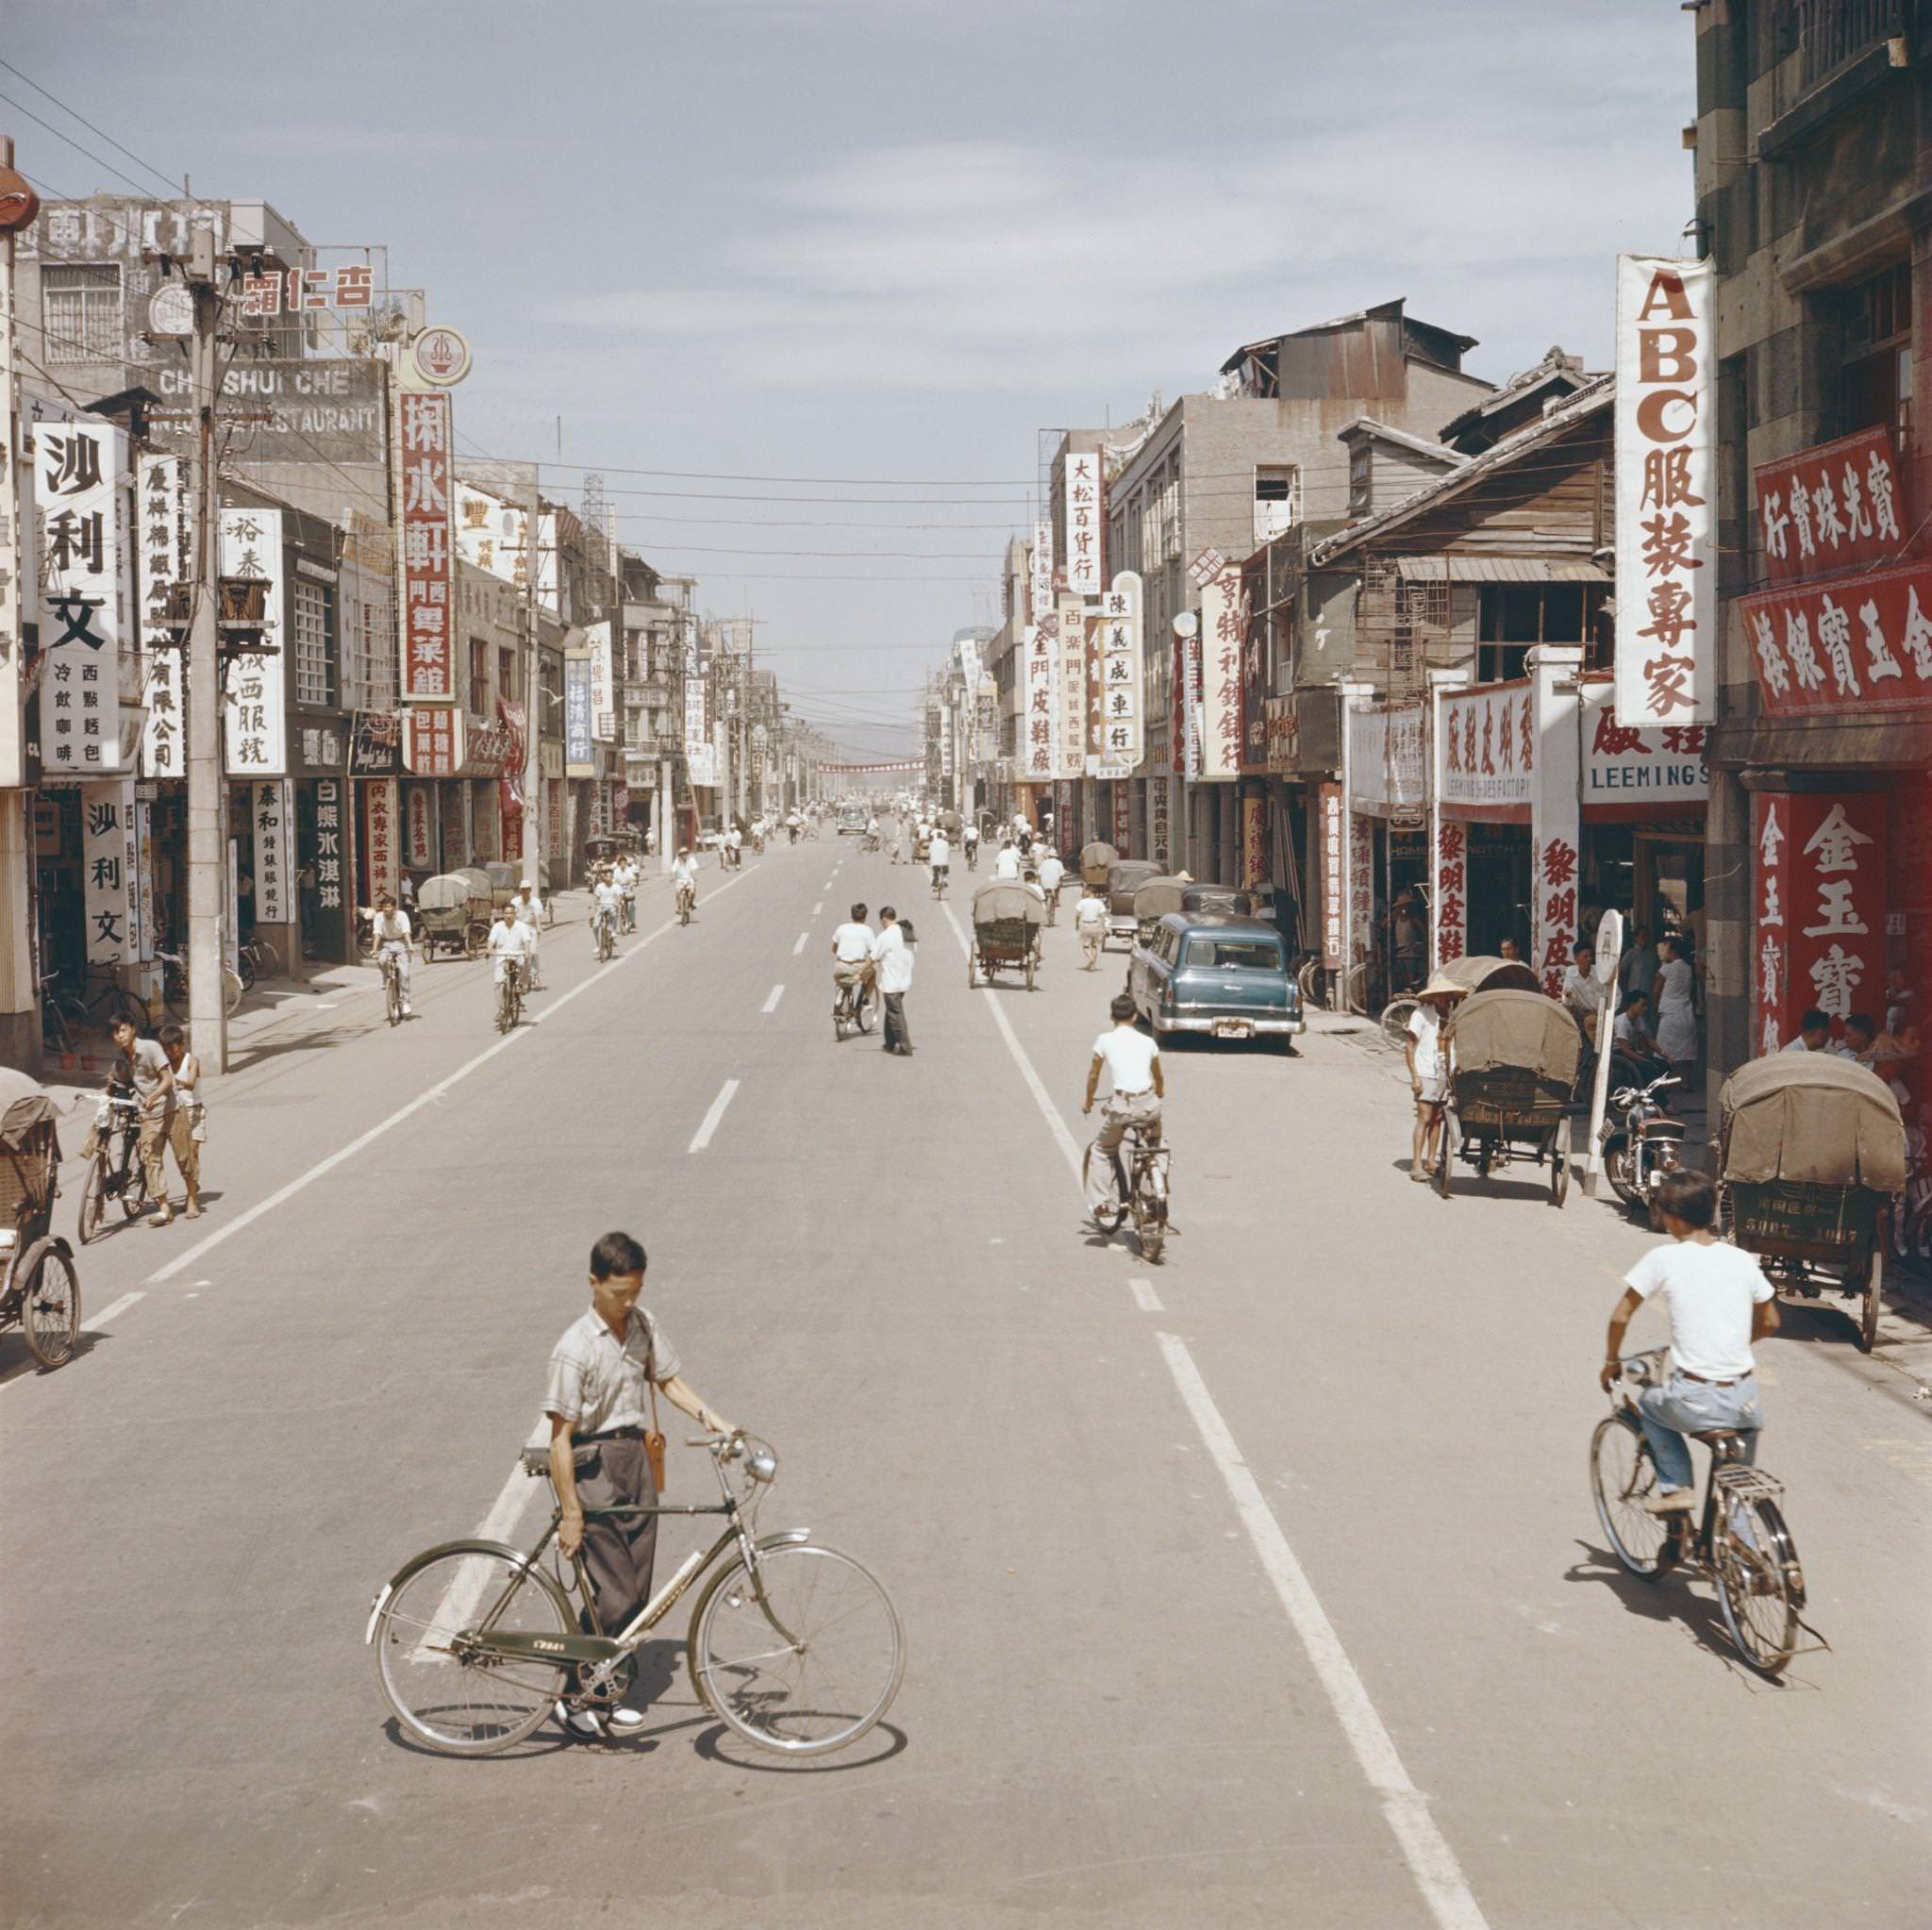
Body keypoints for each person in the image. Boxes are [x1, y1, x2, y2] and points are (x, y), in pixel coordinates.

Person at [544, 1230, 739, 1739]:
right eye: (618, 1294)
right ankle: (572, 1698)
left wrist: (712, 1419)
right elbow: (560, 1437)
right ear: (593, 1283)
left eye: (636, 1291)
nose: (628, 1302)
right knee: (616, 1593)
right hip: (593, 1466)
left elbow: (667, 1379)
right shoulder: (574, 1349)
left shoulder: (643, 1325)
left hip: (637, 1459)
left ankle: (602, 1695)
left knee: (638, 1592)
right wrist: (571, 1512)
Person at [1601, 1170, 1777, 1513]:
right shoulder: (1740, 1259)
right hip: (1744, 1401)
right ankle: (1742, 1551)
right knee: (1735, 1490)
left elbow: (1620, 1316)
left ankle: (1677, 1488)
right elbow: (1770, 1321)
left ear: (1673, 1219)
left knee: (1650, 1406)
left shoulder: (1663, 1258)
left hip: (1695, 1397)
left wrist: (1611, 1362)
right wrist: (1736, 1344)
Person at [1082, 991, 1163, 1222]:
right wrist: (1159, 1093)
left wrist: (1088, 1101)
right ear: (1135, 1016)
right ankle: (1159, 1183)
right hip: (1149, 1105)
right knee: (1157, 1143)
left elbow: (1093, 1074)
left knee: (1102, 1150)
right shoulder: (1148, 1042)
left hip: (1123, 1106)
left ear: (1112, 1017)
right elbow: (1158, 1076)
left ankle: (1100, 1203)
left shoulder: (1104, 1040)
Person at [109, 1017, 176, 1226]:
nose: (119, 1036)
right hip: (144, 1110)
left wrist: (153, 1097)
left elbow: (167, 1079)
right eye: (115, 1033)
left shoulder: (151, 1048)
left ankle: (191, 1197)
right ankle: (165, 1209)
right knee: (150, 1155)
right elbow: (114, 1079)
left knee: (184, 1159)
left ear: (133, 1028)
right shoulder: (121, 1055)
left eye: (122, 1030)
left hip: (166, 1106)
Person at [1405, 972, 1464, 1183]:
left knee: (1438, 1119)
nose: (1444, 999)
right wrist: (1415, 1078)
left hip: (1444, 1073)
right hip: (1425, 1072)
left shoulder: (1451, 1015)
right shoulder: (1421, 1014)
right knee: (1424, 1117)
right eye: (1440, 995)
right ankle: (1416, 1164)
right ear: (1432, 997)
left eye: (1447, 995)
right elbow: (1410, 1047)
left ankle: (1431, 1160)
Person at [158, 1023, 204, 1220]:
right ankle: (192, 1187)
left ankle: (192, 1200)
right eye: (165, 1048)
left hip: (194, 1112)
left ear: (182, 1044)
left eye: (172, 1047)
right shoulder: (163, 1065)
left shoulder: (191, 1060)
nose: (169, 1052)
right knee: (183, 1158)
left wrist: (174, 1081)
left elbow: (192, 1083)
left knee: (192, 1152)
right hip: (174, 1113)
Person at [869, 904, 914, 1056]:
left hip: (892, 980)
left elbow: (873, 957)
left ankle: (905, 1046)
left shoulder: (886, 935)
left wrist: (859, 971)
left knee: (895, 1013)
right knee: (891, 1011)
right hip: (904, 978)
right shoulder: (906, 932)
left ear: (883, 920)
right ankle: (889, 1043)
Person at [1652, 935, 1698, 1073]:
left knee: (1663, 1050)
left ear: (1672, 952)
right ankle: (1686, 1082)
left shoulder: (1667, 968)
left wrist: (1655, 1003)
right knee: (1687, 1051)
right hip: (1685, 1012)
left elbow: (1656, 989)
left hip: (1670, 1013)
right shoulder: (1688, 968)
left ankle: (1663, 1081)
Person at [366, 890, 415, 1019]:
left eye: (388, 907)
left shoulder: (402, 915)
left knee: (404, 974)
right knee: (381, 961)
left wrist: (409, 945)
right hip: (386, 944)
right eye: (384, 907)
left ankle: (406, 1002)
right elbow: (377, 934)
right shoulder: (378, 917)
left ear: (394, 907)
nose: (386, 909)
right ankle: (386, 978)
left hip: (401, 944)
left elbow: (406, 932)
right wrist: (374, 949)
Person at [831, 902, 874, 1022]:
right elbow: (873, 953)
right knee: (873, 973)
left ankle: (840, 996)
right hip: (858, 966)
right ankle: (865, 1001)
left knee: (841, 980)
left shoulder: (841, 928)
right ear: (865, 917)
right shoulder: (867, 931)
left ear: (851, 915)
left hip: (840, 966)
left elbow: (834, 949)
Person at [1561, 942, 1606, 1050]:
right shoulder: (1571, 972)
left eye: (1591, 956)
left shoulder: (1599, 972)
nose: (1589, 959)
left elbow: (1616, 995)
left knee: (1591, 1022)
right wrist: (1567, 995)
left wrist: (1602, 1012)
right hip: (1582, 1014)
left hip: (1603, 1013)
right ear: (1576, 959)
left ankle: (1601, 1054)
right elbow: (1568, 1000)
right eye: (1585, 957)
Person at [490, 898, 534, 1002]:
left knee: (526, 965)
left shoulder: (521, 926)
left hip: (518, 955)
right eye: (506, 913)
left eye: (511, 913)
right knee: (498, 983)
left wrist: (527, 952)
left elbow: (527, 941)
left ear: (515, 914)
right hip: (502, 956)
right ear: (503, 914)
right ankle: (501, 1009)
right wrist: (488, 951)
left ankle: (520, 984)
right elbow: (491, 941)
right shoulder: (497, 927)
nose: (509, 916)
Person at [515, 881, 546, 990]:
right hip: (518, 929)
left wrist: (539, 928)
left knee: (532, 953)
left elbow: (537, 916)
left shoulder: (535, 902)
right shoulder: (515, 902)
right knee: (517, 954)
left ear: (530, 890)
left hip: (531, 928)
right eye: (523, 889)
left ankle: (536, 975)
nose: (525, 891)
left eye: (527, 889)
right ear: (520, 890)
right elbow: (511, 917)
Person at [1619, 924, 1660, 1004]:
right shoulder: (1631, 953)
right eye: (1643, 936)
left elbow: (1658, 972)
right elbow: (1622, 971)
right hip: (1634, 992)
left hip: (1649, 992)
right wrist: (1623, 991)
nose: (1646, 938)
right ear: (1636, 938)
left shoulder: (1653, 954)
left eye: (1648, 936)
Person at [1074, 883, 1108, 969]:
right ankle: (1092, 966)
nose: (1084, 892)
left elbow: (1077, 915)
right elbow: (1103, 916)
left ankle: (1091, 959)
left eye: (1085, 890)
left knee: (1085, 946)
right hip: (1096, 925)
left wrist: (1077, 924)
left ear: (1089, 891)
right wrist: (1103, 926)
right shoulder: (1099, 902)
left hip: (1086, 925)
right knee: (1094, 946)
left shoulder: (1082, 902)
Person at [591, 869, 624, 954]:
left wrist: (618, 902)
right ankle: (598, 945)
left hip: (612, 905)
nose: (608, 877)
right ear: (604, 877)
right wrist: (597, 903)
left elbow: (620, 896)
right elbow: (597, 899)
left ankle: (612, 931)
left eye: (610, 876)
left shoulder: (616, 886)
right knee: (595, 926)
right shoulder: (599, 886)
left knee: (615, 913)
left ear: (612, 877)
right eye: (606, 876)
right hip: (601, 906)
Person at [1038, 848, 1065, 924]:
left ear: (1049, 856)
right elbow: (1061, 875)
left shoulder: (1043, 862)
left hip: (1044, 884)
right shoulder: (1058, 863)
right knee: (1057, 887)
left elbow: (1039, 874)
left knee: (1044, 897)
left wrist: (1040, 882)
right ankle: (1056, 900)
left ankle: (1045, 901)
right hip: (1054, 884)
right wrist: (1061, 882)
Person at [671, 846, 699, 919]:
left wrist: (695, 876)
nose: (684, 855)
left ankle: (691, 903)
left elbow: (695, 869)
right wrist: (672, 877)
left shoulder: (691, 859)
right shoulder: (677, 861)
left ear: (687, 853)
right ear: (680, 854)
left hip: (689, 879)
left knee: (692, 892)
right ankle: (679, 907)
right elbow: (673, 870)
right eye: (682, 854)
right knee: (677, 893)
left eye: (685, 853)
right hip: (680, 880)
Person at [928, 828, 951, 893]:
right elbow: (949, 852)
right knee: (945, 873)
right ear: (942, 837)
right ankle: (945, 881)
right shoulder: (946, 843)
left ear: (936, 836)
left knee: (935, 874)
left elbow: (929, 852)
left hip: (935, 863)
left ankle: (934, 886)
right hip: (944, 863)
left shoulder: (932, 843)